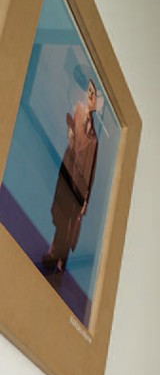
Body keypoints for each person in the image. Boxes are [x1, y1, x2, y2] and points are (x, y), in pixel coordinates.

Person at [42, 77, 98, 273]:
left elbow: (91, 170)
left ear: (96, 102)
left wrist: (86, 201)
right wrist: (71, 135)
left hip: (79, 187)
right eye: (89, 92)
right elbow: (72, 142)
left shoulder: (95, 138)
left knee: (70, 223)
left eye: (94, 95)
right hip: (68, 175)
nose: (90, 96)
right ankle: (54, 252)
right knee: (61, 216)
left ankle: (59, 259)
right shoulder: (78, 111)